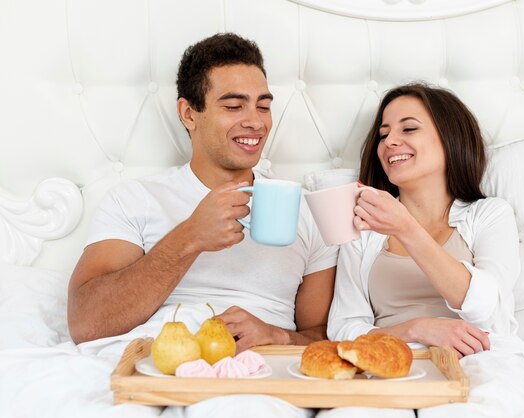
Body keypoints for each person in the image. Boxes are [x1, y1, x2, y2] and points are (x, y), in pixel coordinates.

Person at [67, 33, 337, 355]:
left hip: (260, 373)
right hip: (159, 363)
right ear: (189, 114)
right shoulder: (135, 200)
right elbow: (86, 322)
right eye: (234, 106)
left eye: (263, 106)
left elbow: (324, 337)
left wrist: (278, 336)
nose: (255, 122)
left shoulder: (308, 210)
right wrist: (190, 237)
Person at [327, 82, 520, 358]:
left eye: (409, 128)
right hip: (390, 360)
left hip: (479, 360)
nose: (390, 142)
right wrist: (416, 329)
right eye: (384, 134)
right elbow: (344, 329)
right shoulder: (364, 225)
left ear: (449, 137)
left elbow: (489, 308)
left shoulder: (489, 214)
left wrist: (406, 228)